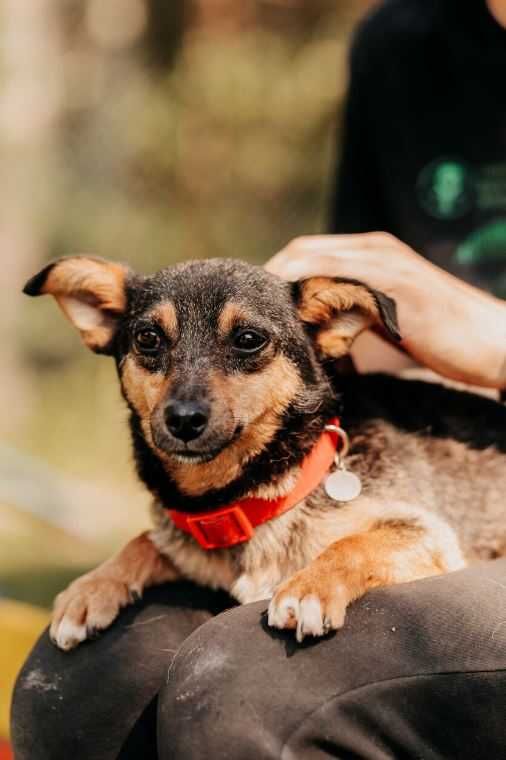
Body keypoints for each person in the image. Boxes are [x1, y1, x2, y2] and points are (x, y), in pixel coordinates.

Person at [11, 234, 506, 759]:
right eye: (153, 347)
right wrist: (137, 561)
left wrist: (492, 344)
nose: (186, 401)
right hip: (244, 509)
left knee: (246, 685)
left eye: (247, 344)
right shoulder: (385, 158)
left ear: (323, 327)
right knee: (79, 690)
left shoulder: (361, 473)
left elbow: (419, 542)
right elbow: (176, 541)